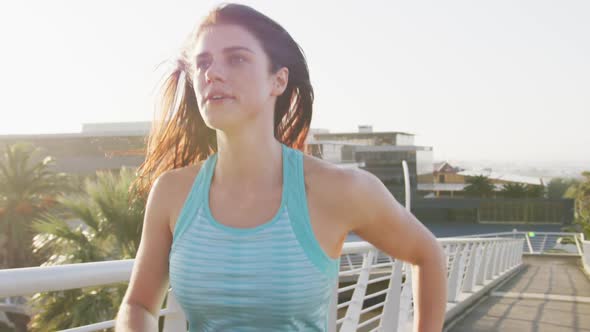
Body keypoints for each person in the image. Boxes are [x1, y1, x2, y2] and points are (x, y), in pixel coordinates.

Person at [115, 3, 447, 331]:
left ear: (278, 81)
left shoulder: (339, 189)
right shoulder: (173, 192)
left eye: (237, 59)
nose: (212, 73)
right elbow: (138, 304)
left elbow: (427, 254)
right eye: (203, 62)